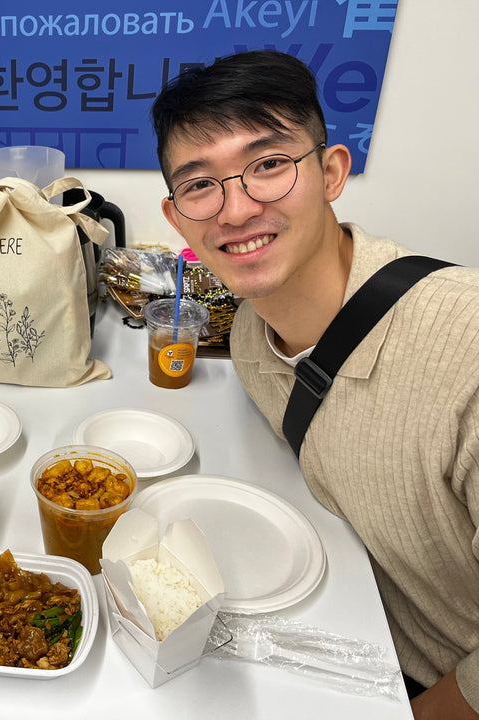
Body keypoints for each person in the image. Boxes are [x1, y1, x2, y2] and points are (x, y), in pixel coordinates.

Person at [152, 50, 479, 719]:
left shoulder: (466, 348)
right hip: (356, 647)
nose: (236, 209)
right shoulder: (249, 336)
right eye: (200, 185)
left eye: (269, 165)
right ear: (175, 216)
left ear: (331, 171)